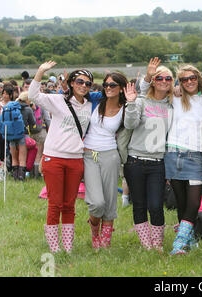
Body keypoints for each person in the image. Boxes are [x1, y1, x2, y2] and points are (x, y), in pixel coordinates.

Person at [29, 61, 94, 254]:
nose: (83, 86)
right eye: (80, 81)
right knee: (55, 203)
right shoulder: (58, 101)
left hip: (76, 159)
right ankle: (54, 247)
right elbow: (33, 95)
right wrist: (40, 71)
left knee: (69, 204)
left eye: (88, 83)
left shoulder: (90, 105)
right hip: (54, 158)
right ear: (72, 83)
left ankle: (67, 245)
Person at [122, 61, 174, 252]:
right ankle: (146, 245)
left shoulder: (171, 106)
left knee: (155, 205)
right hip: (135, 160)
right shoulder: (141, 100)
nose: (163, 81)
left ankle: (158, 243)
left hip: (158, 163)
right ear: (152, 81)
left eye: (168, 78)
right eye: (159, 77)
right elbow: (130, 124)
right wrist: (131, 103)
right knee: (139, 204)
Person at [164, 65, 202, 255]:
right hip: (173, 154)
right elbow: (152, 89)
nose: (189, 82)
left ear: (198, 78)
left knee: (194, 203)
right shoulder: (174, 98)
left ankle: (179, 243)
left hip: (195, 156)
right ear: (179, 83)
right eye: (184, 80)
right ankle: (189, 240)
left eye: (192, 78)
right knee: (182, 203)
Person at [83, 72, 128, 250]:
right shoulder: (95, 101)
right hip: (88, 154)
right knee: (96, 203)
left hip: (110, 154)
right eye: (106, 85)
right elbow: (77, 95)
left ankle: (105, 241)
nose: (108, 88)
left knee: (109, 202)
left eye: (113, 85)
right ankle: (94, 229)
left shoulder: (126, 107)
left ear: (121, 89)